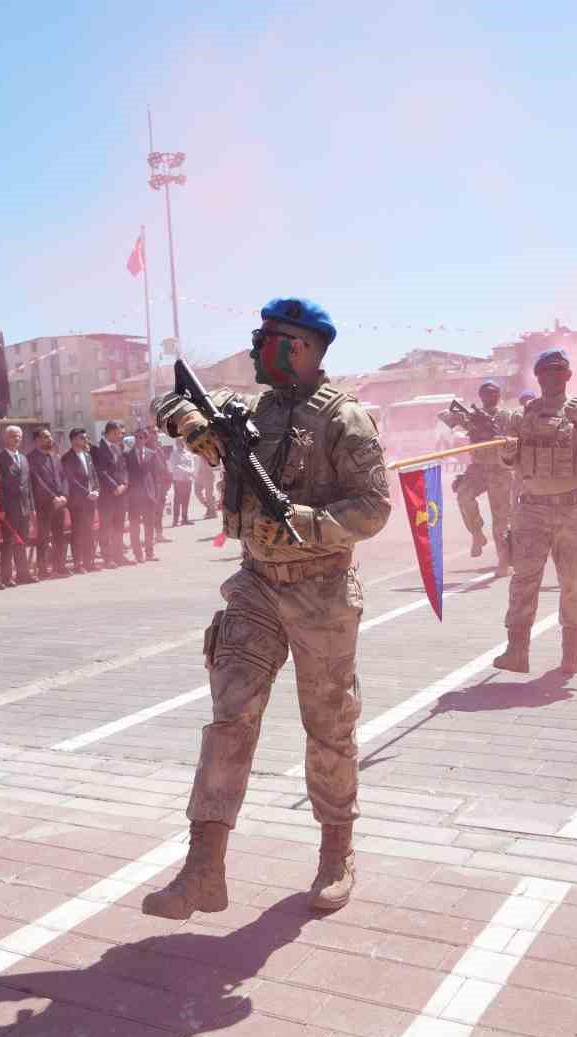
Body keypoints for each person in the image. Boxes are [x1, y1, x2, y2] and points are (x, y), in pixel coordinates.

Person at [144, 296, 391, 919]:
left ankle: (337, 851)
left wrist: (305, 523)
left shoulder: (347, 419)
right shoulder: (248, 412)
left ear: (301, 348)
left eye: (267, 339)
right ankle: (204, 869)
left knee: (328, 726)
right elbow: (170, 403)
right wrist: (185, 422)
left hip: (322, 590)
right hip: (255, 584)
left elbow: (374, 509)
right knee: (231, 715)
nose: (255, 349)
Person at [493, 350, 577, 676]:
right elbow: (512, 460)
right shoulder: (525, 415)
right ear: (538, 376)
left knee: (573, 584)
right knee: (523, 582)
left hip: (574, 510)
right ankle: (517, 652)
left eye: (558, 371)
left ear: (568, 376)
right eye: (546, 372)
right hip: (531, 511)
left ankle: (570, 656)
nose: (552, 377)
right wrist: (506, 452)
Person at [452, 379, 518, 577]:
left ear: (499, 396)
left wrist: (504, 438)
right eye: (487, 393)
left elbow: (519, 436)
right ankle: (477, 532)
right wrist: (465, 418)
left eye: (494, 392)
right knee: (463, 495)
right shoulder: (473, 417)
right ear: (480, 396)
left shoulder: (508, 416)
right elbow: (445, 416)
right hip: (478, 468)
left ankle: (504, 561)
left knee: (501, 520)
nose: (491, 396)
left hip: (501, 469)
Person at [0, 425, 35, 586]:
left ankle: (23, 574)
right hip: (9, 508)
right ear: (6, 438)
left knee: (22, 542)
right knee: (8, 544)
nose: (16, 439)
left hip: (24, 507)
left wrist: (31, 508)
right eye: (13, 436)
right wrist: (1, 508)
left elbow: (28, 484)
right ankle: (6, 577)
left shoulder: (23, 458)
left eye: (19, 436)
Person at [28, 427, 70, 578]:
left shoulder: (55, 457)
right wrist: (53, 497)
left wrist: (64, 495)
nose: (50, 439)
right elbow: (38, 481)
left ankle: (60, 566)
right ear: (37, 441)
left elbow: (64, 478)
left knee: (59, 537)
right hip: (44, 505)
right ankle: (42, 569)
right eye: (45, 437)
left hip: (60, 504)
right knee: (43, 538)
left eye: (50, 436)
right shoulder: (31, 459)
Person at [92, 421, 130, 567]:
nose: (121, 436)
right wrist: (115, 486)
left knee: (119, 527)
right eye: (119, 433)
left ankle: (119, 555)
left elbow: (124, 468)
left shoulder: (119, 448)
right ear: (111, 432)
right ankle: (108, 558)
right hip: (107, 495)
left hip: (121, 494)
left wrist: (125, 484)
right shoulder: (97, 449)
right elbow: (100, 471)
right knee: (106, 528)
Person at [62, 428, 101, 572]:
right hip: (78, 501)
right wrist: (86, 493)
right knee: (78, 532)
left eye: (86, 437)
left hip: (91, 499)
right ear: (73, 440)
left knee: (89, 531)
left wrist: (97, 489)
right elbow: (71, 480)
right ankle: (78, 563)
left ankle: (89, 561)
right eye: (82, 438)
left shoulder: (88, 456)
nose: (85, 440)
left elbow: (93, 475)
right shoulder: (67, 458)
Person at [124, 428, 158, 562]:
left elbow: (155, 477)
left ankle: (150, 553)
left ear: (146, 439)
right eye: (137, 437)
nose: (139, 440)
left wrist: (156, 494)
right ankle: (138, 554)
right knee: (134, 527)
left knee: (149, 526)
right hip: (134, 497)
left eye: (142, 438)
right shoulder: (127, 455)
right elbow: (125, 474)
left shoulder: (152, 454)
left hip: (149, 496)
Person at [169, 438, 197, 527]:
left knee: (186, 500)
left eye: (181, 442)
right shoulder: (174, 454)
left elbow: (192, 465)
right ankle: (175, 520)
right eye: (178, 442)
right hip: (179, 480)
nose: (180, 444)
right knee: (177, 501)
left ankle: (184, 519)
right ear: (176, 443)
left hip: (187, 480)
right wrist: (186, 471)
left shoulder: (188, 454)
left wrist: (190, 471)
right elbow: (174, 466)